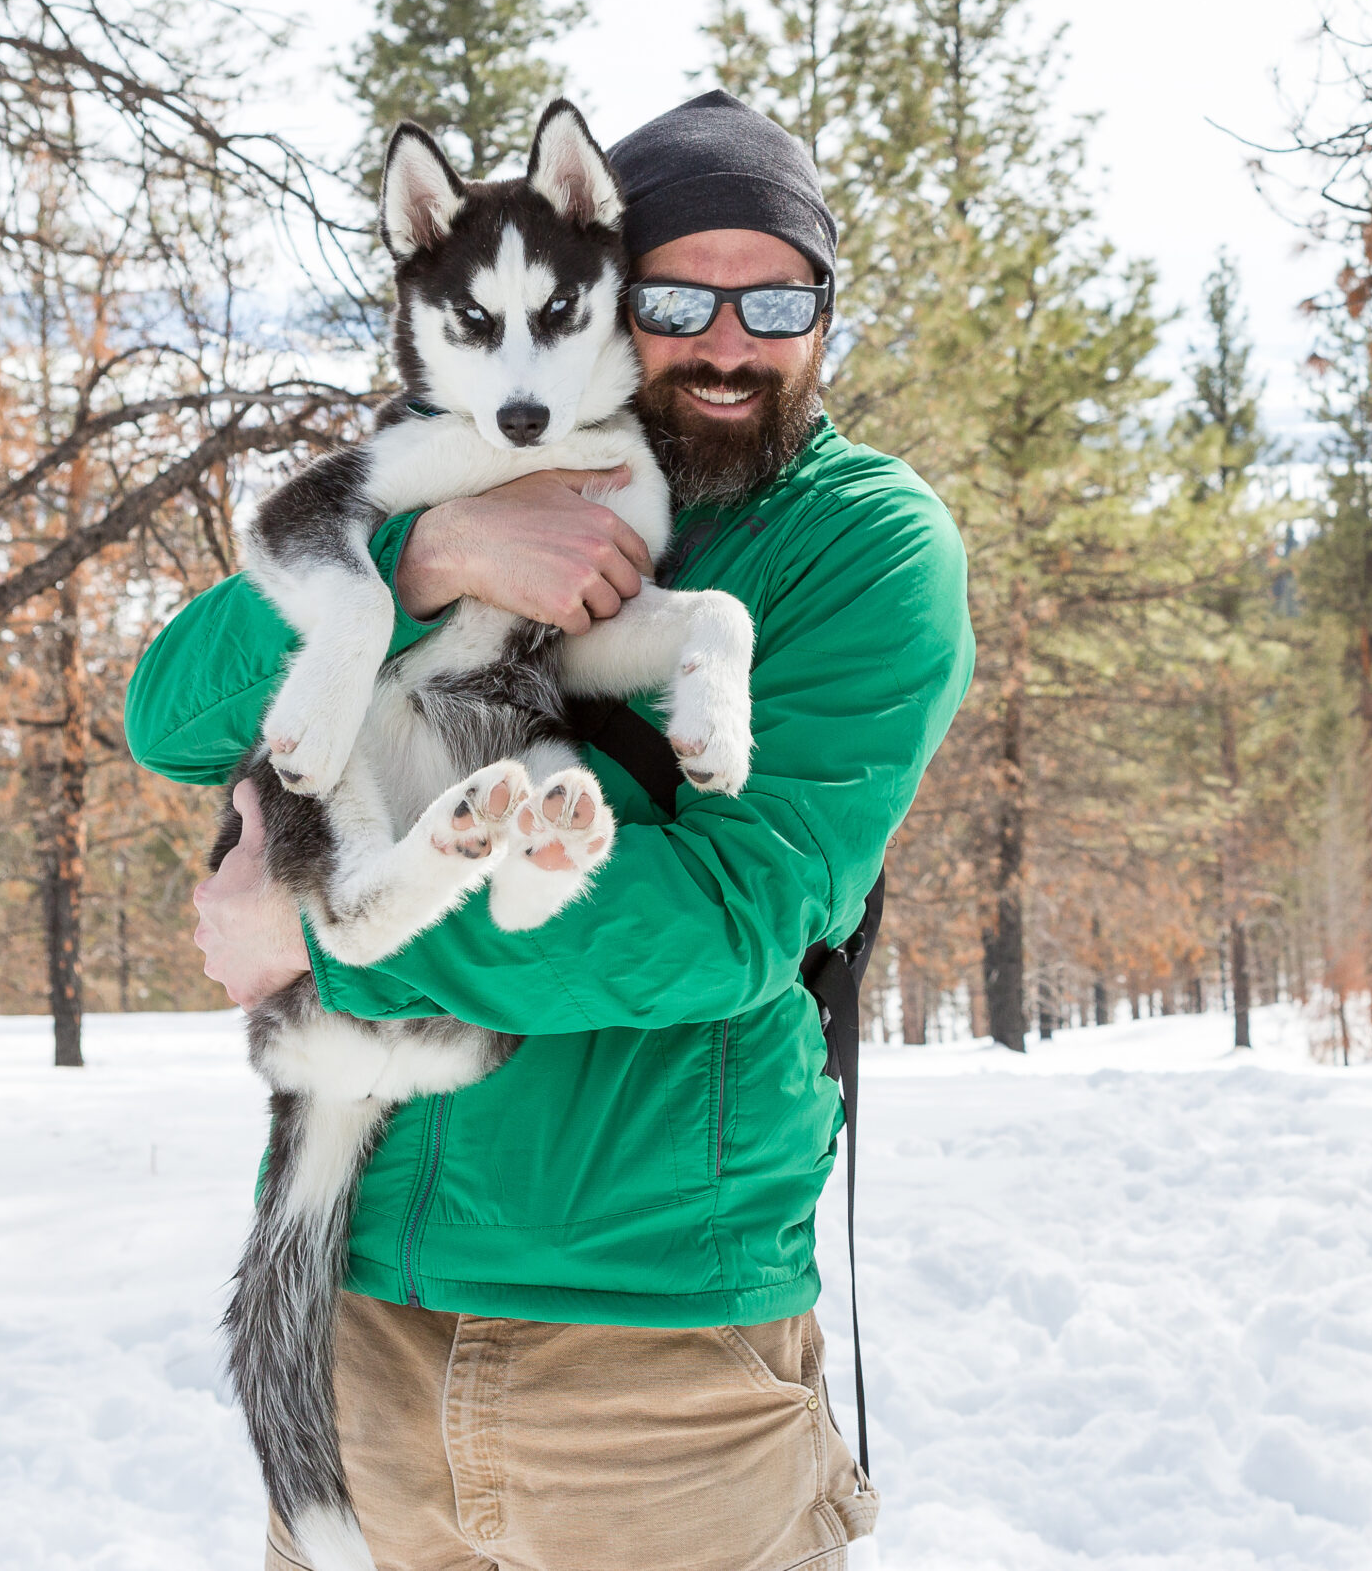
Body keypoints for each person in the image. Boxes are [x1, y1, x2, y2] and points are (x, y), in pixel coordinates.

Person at [124, 90, 972, 1571]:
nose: (725, 341)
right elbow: (171, 710)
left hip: (652, 1363)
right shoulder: (465, 462)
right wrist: (426, 554)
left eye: (775, 297)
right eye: (676, 296)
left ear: (825, 313)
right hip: (362, 1319)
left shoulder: (866, 543)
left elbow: (721, 920)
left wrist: (320, 931)